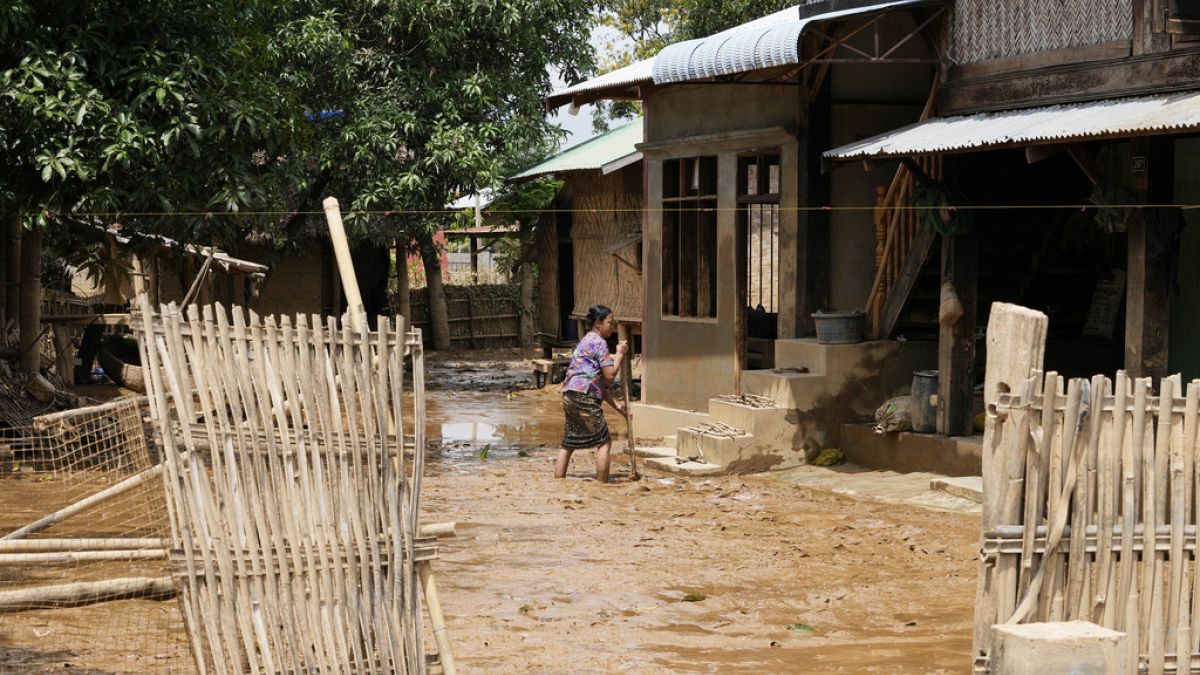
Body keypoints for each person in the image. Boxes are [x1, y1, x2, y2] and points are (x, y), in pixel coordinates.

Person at [556, 304, 629, 482]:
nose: (612, 327)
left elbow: (599, 384)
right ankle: (601, 483)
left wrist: (618, 407)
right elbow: (610, 377)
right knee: (604, 442)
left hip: (570, 394)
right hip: (583, 395)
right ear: (598, 323)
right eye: (609, 323)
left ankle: (558, 480)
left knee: (569, 442)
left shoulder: (584, 342)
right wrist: (619, 354)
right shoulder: (599, 343)